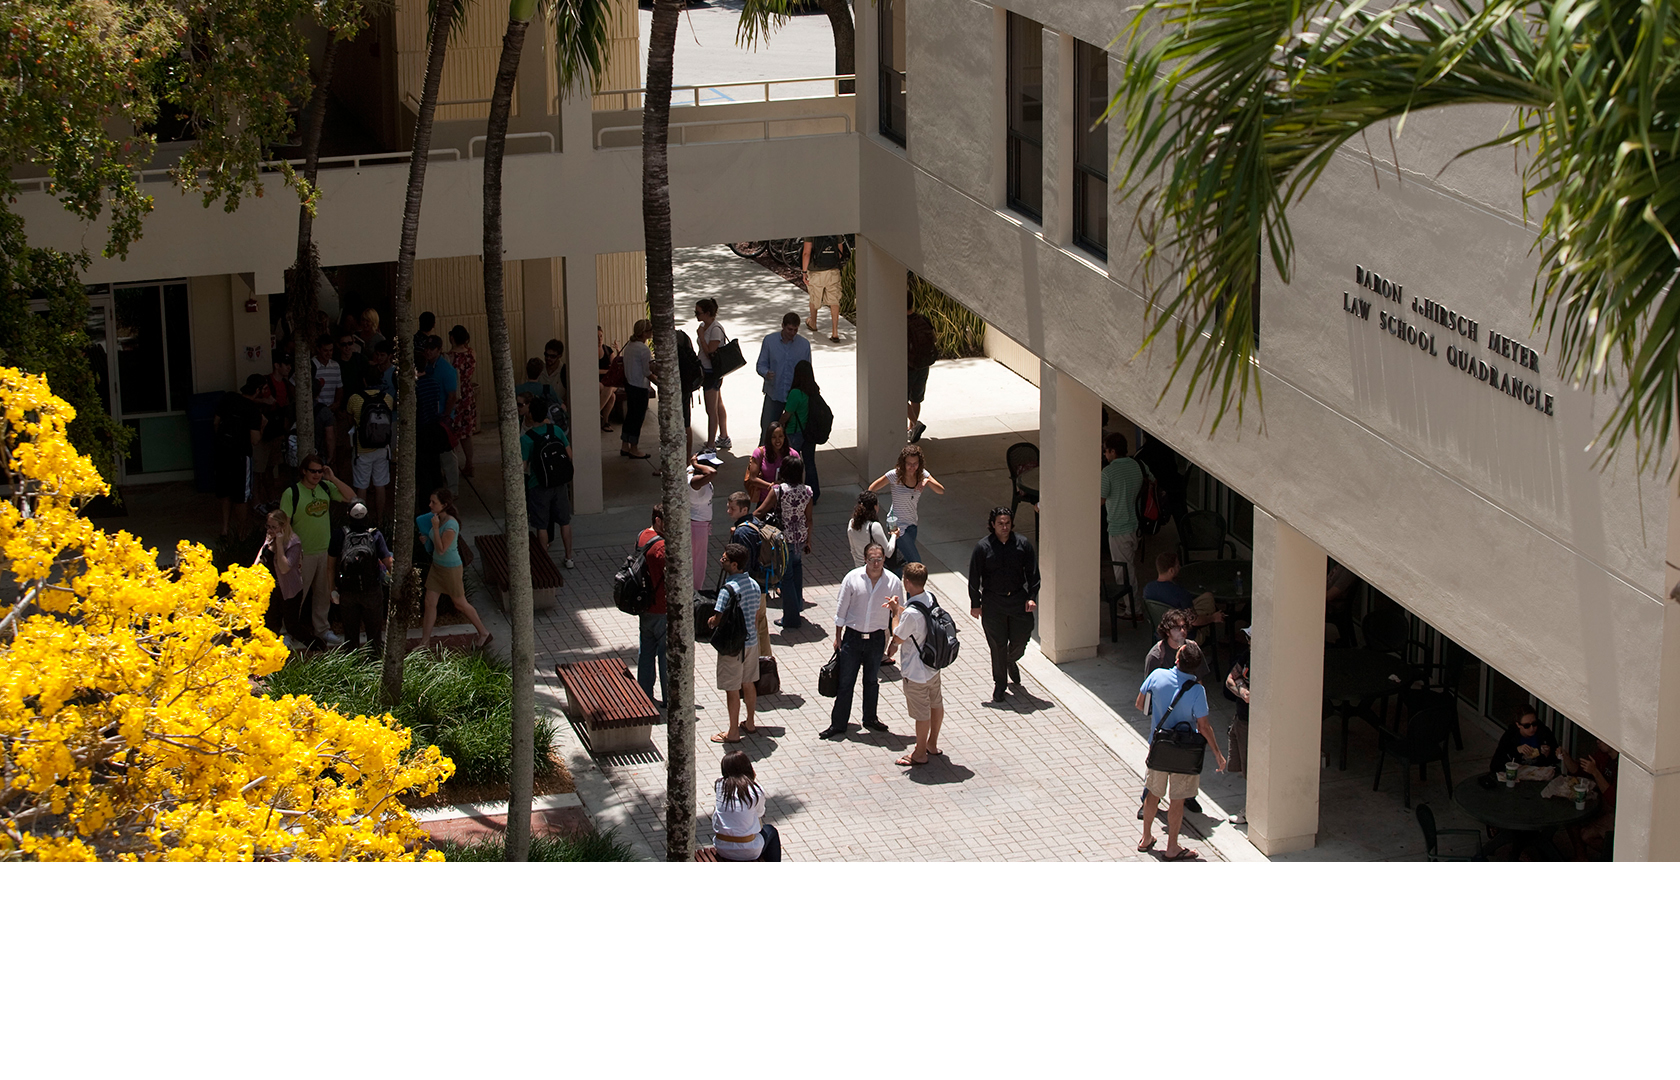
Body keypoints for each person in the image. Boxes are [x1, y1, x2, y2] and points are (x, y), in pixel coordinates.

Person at [1136, 641, 1226, 860]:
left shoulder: (1157, 675)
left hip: (1159, 747)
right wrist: (1217, 753)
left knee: (1153, 794)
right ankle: (1172, 847)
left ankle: (1146, 837)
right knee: (1177, 800)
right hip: (1185, 752)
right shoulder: (1198, 691)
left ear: (1177, 660)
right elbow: (1204, 727)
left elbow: (1140, 704)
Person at [821, 541, 905, 739]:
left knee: (871, 680)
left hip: (876, 639)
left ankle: (870, 718)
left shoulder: (893, 581)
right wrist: (837, 637)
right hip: (852, 637)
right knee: (845, 682)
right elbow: (841, 609)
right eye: (871, 559)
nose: (876, 563)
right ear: (865, 559)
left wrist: (894, 641)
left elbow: (900, 613)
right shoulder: (852, 578)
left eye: (879, 559)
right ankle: (839, 724)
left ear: (884, 559)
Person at [1139, 607, 1209, 818]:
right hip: (1163, 724)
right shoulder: (1156, 656)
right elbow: (1145, 695)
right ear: (1167, 630)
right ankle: (1148, 801)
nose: (1182, 631)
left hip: (1187, 721)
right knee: (1157, 766)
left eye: (1184, 626)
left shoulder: (1192, 649)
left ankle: (1187, 797)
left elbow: (1200, 681)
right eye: (1177, 627)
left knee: (1186, 762)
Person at [280, 452, 355, 646]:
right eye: (313, 471)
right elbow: (284, 525)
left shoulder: (326, 487)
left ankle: (322, 629)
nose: (317, 475)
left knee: (323, 594)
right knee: (296, 595)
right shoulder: (291, 493)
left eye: (320, 471)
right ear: (303, 471)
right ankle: (286, 631)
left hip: (325, 552)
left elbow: (351, 497)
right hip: (302, 554)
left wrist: (333, 478)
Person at [968, 506, 1039, 703]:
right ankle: (1000, 684)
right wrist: (975, 603)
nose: (1004, 527)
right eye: (1000, 523)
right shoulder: (983, 547)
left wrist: (1032, 597)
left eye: (1007, 523)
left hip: (1017, 599)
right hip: (993, 602)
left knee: (1021, 638)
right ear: (993, 525)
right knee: (997, 645)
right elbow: (974, 577)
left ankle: (1010, 659)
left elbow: (1033, 573)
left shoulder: (1022, 544)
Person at [885, 562, 945, 766]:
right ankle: (932, 744)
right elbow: (918, 616)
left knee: (922, 713)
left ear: (907, 582)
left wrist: (895, 613)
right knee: (936, 704)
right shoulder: (929, 598)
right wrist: (899, 608)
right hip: (933, 666)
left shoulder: (909, 614)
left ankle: (920, 753)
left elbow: (898, 635)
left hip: (916, 671)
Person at [417, 487, 491, 649]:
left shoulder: (450, 525)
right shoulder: (437, 519)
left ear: (444, 505)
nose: (430, 505)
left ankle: (483, 632)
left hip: (450, 569)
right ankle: (424, 642)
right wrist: (426, 540)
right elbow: (434, 546)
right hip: (437, 566)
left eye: (433, 502)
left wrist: (435, 529)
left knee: (459, 603)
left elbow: (442, 549)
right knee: (430, 602)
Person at [709, 542, 762, 743]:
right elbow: (756, 615)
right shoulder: (755, 585)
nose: (721, 561)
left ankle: (732, 732)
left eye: (725, 559)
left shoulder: (728, 590)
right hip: (751, 642)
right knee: (748, 683)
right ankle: (750, 722)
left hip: (732, 647)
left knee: (732, 689)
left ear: (734, 565)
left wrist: (711, 622)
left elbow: (718, 617)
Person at [519, 392, 575, 568]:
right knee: (564, 522)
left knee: (541, 526)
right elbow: (569, 455)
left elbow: (524, 466)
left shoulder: (527, 439)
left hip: (539, 485)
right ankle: (568, 557)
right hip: (559, 483)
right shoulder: (556, 430)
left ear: (530, 415)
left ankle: (544, 562)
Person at [756, 456, 813, 629]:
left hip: (783, 539)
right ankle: (797, 606)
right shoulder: (808, 491)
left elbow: (760, 511)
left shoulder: (778, 490)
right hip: (800, 537)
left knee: (786, 577)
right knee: (797, 569)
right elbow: (809, 518)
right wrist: (809, 540)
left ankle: (791, 617)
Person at [328, 500, 392, 650]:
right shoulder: (375, 534)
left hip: (347, 592)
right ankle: (375, 665)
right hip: (372, 591)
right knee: (374, 636)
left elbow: (330, 567)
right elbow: (389, 562)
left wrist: (332, 589)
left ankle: (352, 667)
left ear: (347, 515)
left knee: (350, 636)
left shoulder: (339, 534)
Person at [868, 443, 944, 565]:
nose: (912, 467)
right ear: (903, 463)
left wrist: (928, 481)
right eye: (909, 464)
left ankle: (893, 581)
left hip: (912, 524)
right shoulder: (894, 475)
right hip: (897, 524)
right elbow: (872, 488)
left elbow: (940, 490)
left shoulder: (922, 474)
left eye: (915, 464)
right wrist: (873, 508)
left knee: (899, 561)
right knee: (916, 562)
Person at [213, 375, 267, 538]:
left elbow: (216, 422)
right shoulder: (253, 411)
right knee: (241, 496)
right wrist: (263, 426)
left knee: (225, 492)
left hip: (222, 452)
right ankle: (241, 534)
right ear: (257, 391)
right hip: (241, 457)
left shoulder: (228, 398)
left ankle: (224, 529)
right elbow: (255, 440)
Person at [1100, 431, 1147, 610]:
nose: (1104, 454)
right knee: (1129, 565)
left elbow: (1100, 499)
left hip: (1119, 527)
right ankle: (1129, 602)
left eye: (1105, 451)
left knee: (1124, 572)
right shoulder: (1136, 465)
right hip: (1135, 525)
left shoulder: (1109, 472)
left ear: (1112, 451)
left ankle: (1133, 608)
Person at [725, 490, 774, 657]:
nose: (728, 511)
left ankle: (759, 664)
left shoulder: (742, 532)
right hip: (761, 583)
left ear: (744, 510)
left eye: (732, 508)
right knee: (761, 624)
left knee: (754, 625)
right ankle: (767, 660)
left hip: (751, 587)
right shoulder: (754, 523)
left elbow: (744, 562)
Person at [346, 363, 394, 525]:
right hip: (382, 448)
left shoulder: (355, 399)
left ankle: (362, 521)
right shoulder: (387, 398)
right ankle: (380, 520)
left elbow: (350, 418)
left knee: (362, 487)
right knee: (380, 485)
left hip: (362, 449)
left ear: (364, 380)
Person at [712, 750, 781, 861]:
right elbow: (760, 813)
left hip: (722, 847)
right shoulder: (755, 790)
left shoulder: (720, 785)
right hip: (748, 850)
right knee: (771, 831)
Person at [633, 506, 670, 707]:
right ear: (658, 520)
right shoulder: (662, 548)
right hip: (662, 608)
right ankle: (669, 698)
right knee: (665, 656)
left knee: (646, 652)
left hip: (645, 606)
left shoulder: (642, 537)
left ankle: (644, 695)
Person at [1559, 736, 1618, 859]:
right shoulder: (1602, 755)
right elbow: (1580, 772)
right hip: (1600, 804)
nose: (1597, 740)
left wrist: (1595, 772)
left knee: (1586, 835)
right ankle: (1581, 858)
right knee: (1569, 817)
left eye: (1602, 738)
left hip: (1616, 813)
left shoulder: (1623, 765)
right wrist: (1566, 757)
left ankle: (1615, 858)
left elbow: (1614, 800)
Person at [755, 312, 810, 444]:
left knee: (792, 435)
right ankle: (763, 460)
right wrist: (766, 373)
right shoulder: (769, 341)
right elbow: (760, 365)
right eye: (789, 329)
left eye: (795, 330)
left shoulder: (804, 345)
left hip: (794, 397)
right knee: (768, 431)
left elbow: (807, 371)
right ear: (783, 326)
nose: (792, 333)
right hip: (774, 394)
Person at [255, 508, 305, 650]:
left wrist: (279, 543)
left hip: (289, 590)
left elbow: (284, 568)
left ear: (283, 527)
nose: (270, 530)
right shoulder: (270, 537)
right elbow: (262, 554)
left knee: (292, 626)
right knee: (270, 623)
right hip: (272, 589)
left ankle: (317, 646)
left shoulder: (293, 543)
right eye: (268, 526)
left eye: (274, 527)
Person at [1144, 552, 1225, 636]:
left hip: (1162, 633)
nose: (1179, 568)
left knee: (1207, 597)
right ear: (1171, 570)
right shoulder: (1180, 593)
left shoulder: (1148, 589)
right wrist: (1213, 618)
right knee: (1208, 608)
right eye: (1177, 566)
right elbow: (1194, 621)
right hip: (1183, 637)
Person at [779, 359, 823, 502]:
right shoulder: (813, 391)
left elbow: (788, 414)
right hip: (809, 433)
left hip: (795, 432)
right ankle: (813, 494)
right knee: (810, 463)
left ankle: (794, 493)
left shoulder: (795, 393)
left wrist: (779, 425)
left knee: (793, 464)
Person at [1223, 625, 1252, 825]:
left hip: (1260, 725)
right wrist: (1242, 689)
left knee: (1256, 769)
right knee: (1247, 768)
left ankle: (1252, 810)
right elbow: (1230, 680)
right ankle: (1250, 808)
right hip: (1243, 720)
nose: (1248, 642)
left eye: (1251, 638)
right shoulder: (1245, 656)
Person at [694, 298, 731, 450]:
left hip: (711, 372)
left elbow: (710, 351)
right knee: (718, 404)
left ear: (708, 313)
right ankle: (723, 436)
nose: (696, 315)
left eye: (698, 312)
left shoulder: (714, 329)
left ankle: (710, 444)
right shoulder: (705, 326)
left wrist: (701, 336)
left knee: (711, 409)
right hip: (706, 370)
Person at [801, 234, 849, 342]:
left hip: (816, 271)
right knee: (834, 300)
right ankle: (835, 332)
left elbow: (806, 253)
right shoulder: (835, 229)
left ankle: (813, 323)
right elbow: (839, 252)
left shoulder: (811, 231)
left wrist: (804, 272)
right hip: (833, 271)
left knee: (814, 297)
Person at [620, 318, 655, 459]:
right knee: (637, 418)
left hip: (629, 385)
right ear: (644, 333)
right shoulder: (643, 349)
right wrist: (659, 382)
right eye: (650, 330)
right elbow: (647, 372)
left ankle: (624, 444)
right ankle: (634, 447)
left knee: (630, 416)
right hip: (640, 387)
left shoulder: (629, 346)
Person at [1488, 705, 1560, 774]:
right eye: (1527, 726)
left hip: (1539, 773)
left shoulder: (1544, 733)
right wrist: (1516, 750)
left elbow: (1556, 759)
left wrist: (1548, 754)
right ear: (1518, 725)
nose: (1532, 728)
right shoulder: (1510, 735)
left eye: (1534, 724)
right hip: (1518, 773)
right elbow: (1496, 765)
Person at [447, 325, 478, 478]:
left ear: (452, 338)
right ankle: (469, 463)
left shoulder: (450, 357)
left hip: (455, 395)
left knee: (453, 432)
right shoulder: (472, 353)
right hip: (468, 393)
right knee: (467, 433)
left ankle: (453, 467)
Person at [906, 289, 936, 442]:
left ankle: (915, 424)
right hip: (924, 364)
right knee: (916, 398)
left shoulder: (902, 323)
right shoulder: (923, 319)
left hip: (909, 365)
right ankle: (912, 429)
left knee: (900, 398)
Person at [744, 421, 801, 503]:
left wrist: (783, 484)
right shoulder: (759, 453)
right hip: (765, 500)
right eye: (773, 437)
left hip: (787, 501)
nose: (778, 440)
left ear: (784, 437)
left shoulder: (793, 454)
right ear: (768, 438)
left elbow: (799, 480)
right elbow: (753, 478)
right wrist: (771, 486)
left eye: (780, 436)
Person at [687, 452, 719, 590]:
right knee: (697, 565)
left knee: (700, 564)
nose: (715, 468)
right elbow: (712, 473)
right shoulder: (694, 482)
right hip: (696, 528)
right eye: (712, 465)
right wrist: (695, 463)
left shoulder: (698, 478)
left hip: (701, 527)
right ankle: (694, 593)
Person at [311, 332, 343, 466]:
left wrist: (337, 403)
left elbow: (339, 387)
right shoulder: (310, 365)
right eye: (325, 350)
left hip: (330, 411)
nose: (328, 353)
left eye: (331, 350)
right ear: (318, 349)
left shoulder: (335, 365)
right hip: (315, 413)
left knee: (333, 445)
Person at [847, 490, 898, 567]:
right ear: (875, 507)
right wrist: (894, 535)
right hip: (873, 569)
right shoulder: (874, 526)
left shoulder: (852, 523)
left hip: (859, 567)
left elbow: (853, 550)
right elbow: (888, 552)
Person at [598, 326, 625, 433]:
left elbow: (615, 367)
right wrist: (605, 371)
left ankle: (595, 414)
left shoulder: (607, 350)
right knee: (612, 397)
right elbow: (591, 371)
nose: (599, 339)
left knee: (609, 389)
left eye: (601, 336)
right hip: (599, 381)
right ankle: (605, 422)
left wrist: (618, 351)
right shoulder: (589, 351)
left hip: (610, 381)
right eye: (596, 336)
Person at [537, 338, 567, 407]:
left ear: (560, 356)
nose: (548, 358)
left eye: (553, 356)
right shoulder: (539, 369)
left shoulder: (564, 371)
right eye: (546, 355)